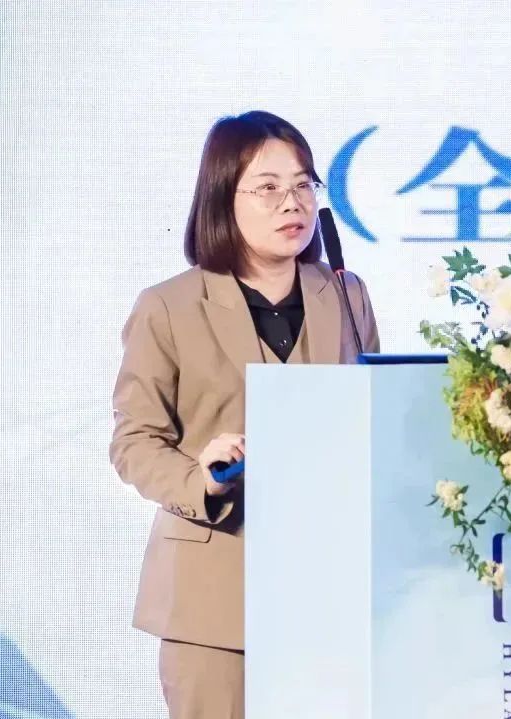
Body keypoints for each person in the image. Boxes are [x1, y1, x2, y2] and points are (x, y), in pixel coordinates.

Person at [108, 110, 380, 719]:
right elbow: (135, 442)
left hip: (327, 592)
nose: (292, 202)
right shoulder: (169, 306)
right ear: (222, 198)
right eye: (268, 187)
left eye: (304, 184)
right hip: (213, 596)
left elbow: (371, 414)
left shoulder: (346, 293)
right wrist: (199, 477)